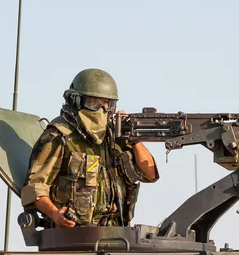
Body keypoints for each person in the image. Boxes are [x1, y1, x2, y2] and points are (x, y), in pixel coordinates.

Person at [21, 68, 159, 228]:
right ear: (77, 101)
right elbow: (35, 188)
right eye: (94, 103)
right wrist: (54, 213)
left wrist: (133, 139)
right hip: (73, 238)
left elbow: (150, 174)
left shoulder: (115, 135)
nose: (102, 110)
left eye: (108, 104)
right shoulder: (59, 135)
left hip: (117, 236)